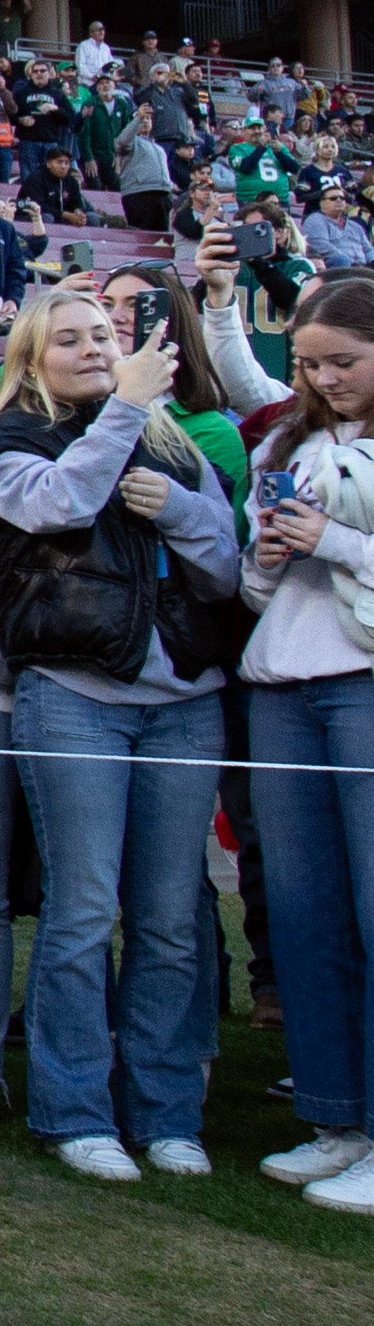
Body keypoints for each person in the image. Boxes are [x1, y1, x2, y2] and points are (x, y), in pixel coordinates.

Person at [0, 287, 240, 1182]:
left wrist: (178, 509)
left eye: (103, 335)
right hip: (73, 693)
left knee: (168, 918)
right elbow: (54, 506)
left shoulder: (173, 439)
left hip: (183, 700)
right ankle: (73, 1109)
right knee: (83, 908)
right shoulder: (13, 435)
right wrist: (125, 403)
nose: (94, 349)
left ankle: (166, 1112)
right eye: (71, 339)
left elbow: (223, 564)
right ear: (31, 356)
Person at [234, 274, 374, 1210]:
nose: (324, 380)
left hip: (362, 684)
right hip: (283, 686)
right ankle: (337, 1118)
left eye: (343, 363)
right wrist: (269, 555)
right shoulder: (287, 439)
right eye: (311, 364)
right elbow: (250, 590)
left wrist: (333, 541)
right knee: (305, 913)